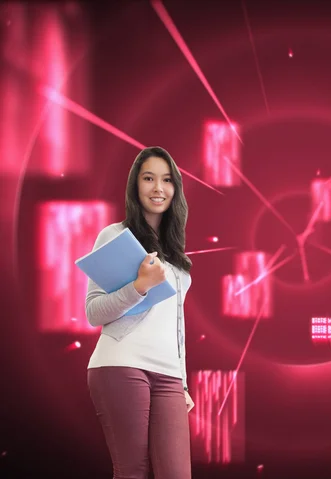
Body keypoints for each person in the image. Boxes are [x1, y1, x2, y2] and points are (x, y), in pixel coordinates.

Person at [85, 146, 194, 479]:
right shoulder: (115, 235)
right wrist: (140, 286)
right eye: (148, 178)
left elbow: (178, 324)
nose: (158, 188)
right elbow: (93, 312)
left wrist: (183, 381)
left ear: (175, 188)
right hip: (121, 364)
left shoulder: (177, 254)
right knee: (133, 471)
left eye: (166, 180)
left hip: (169, 375)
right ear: (136, 186)